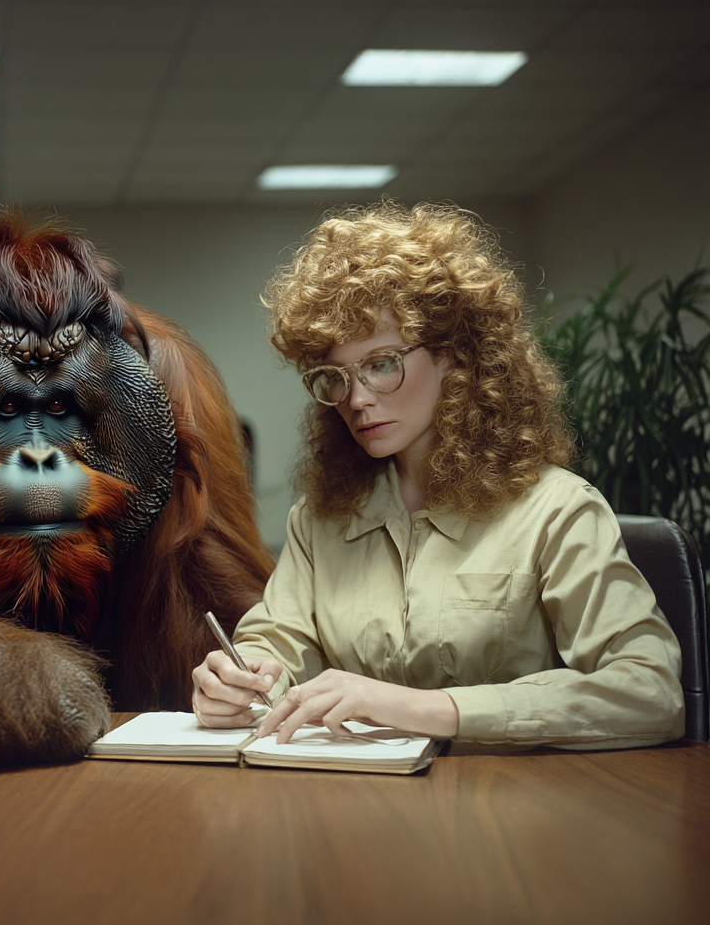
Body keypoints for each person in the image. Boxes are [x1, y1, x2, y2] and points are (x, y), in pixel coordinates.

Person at [192, 201, 684, 750]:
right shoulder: (320, 519)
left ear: (456, 356)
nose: (355, 399)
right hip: (358, 806)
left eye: (381, 363)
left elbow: (650, 691)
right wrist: (246, 675)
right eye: (335, 376)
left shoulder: (557, 510)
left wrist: (430, 708)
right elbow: (278, 636)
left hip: (515, 813)